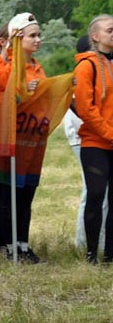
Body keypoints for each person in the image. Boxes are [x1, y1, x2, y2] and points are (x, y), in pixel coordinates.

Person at [0, 13, 46, 262]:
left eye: (39, 35)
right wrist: (20, 94)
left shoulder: (37, 66)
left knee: (26, 194)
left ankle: (23, 242)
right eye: (33, 35)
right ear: (17, 37)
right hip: (9, 141)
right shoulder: (1, 66)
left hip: (32, 141)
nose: (38, 40)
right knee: (7, 196)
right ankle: (5, 242)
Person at [74, 15, 113, 263]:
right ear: (96, 37)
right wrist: (109, 134)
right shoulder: (86, 66)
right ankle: (91, 253)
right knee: (96, 195)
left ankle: (110, 253)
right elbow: (86, 110)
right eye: (111, 30)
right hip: (95, 143)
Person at [69, 35, 108, 251]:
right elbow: (80, 105)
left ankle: (102, 246)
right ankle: (87, 245)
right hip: (87, 136)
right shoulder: (87, 66)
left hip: (102, 133)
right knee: (94, 193)